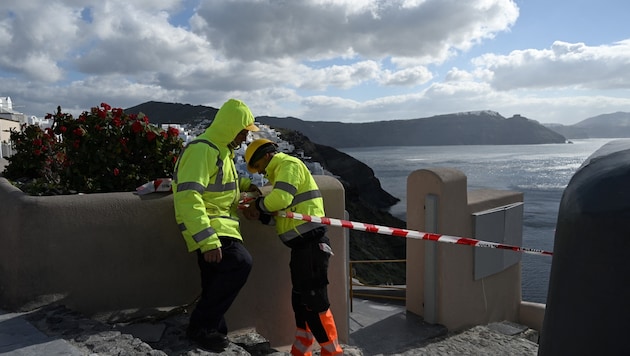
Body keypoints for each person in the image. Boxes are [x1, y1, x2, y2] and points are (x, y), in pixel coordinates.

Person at [172, 98, 260, 352]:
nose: (245, 138)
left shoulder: (221, 152)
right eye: (243, 132)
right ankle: (201, 327)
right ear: (231, 127)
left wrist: (247, 186)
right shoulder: (202, 150)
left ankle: (212, 331)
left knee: (214, 281)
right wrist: (207, 239)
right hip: (211, 228)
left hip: (218, 226)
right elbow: (189, 196)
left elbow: (224, 184)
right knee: (240, 263)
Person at [242, 138, 343, 356]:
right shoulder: (280, 173)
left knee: (314, 300)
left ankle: (332, 352)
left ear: (266, 156)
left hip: (311, 243)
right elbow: (283, 216)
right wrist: (260, 216)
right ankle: (302, 348)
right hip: (301, 247)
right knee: (300, 299)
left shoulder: (288, 165)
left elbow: (280, 199)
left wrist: (257, 205)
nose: (260, 172)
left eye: (258, 166)